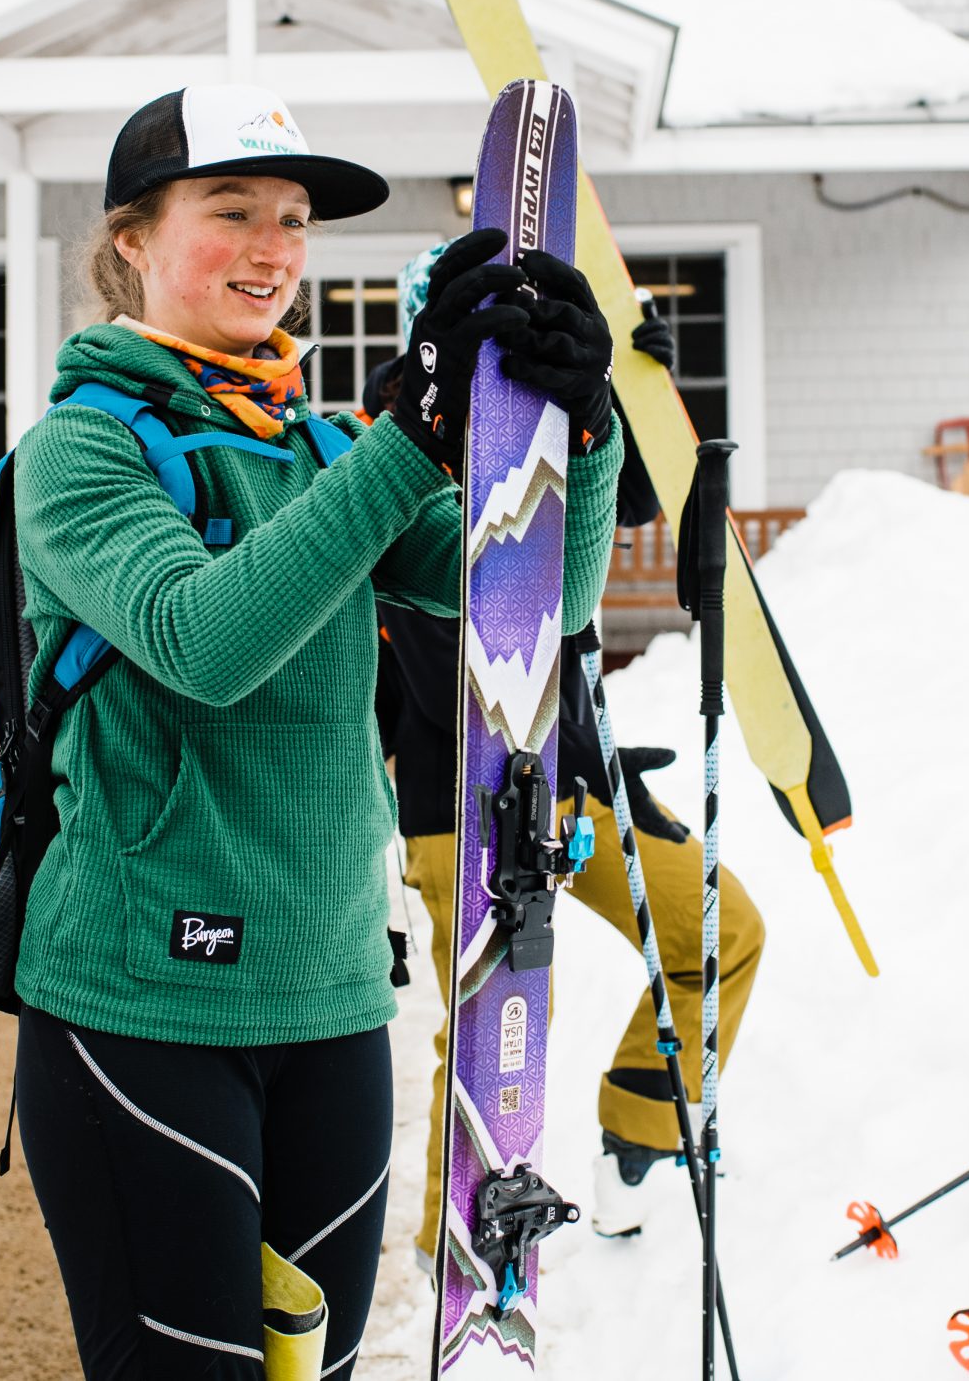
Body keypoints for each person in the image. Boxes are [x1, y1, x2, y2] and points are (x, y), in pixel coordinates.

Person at [7, 85, 623, 1381]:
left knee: (319, 1372)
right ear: (133, 239)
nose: (272, 246)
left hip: (333, 995)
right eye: (230, 210)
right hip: (141, 1009)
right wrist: (410, 433)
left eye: (291, 219)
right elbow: (205, 642)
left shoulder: (325, 448)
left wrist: (584, 424)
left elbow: (534, 601)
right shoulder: (79, 451)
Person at [368, 261, 766, 1266]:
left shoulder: (553, 413)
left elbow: (615, 509)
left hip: (565, 775)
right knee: (488, 1027)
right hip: (452, 790)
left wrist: (622, 390)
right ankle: (447, 1248)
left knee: (716, 931)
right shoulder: (399, 433)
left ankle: (635, 1143)